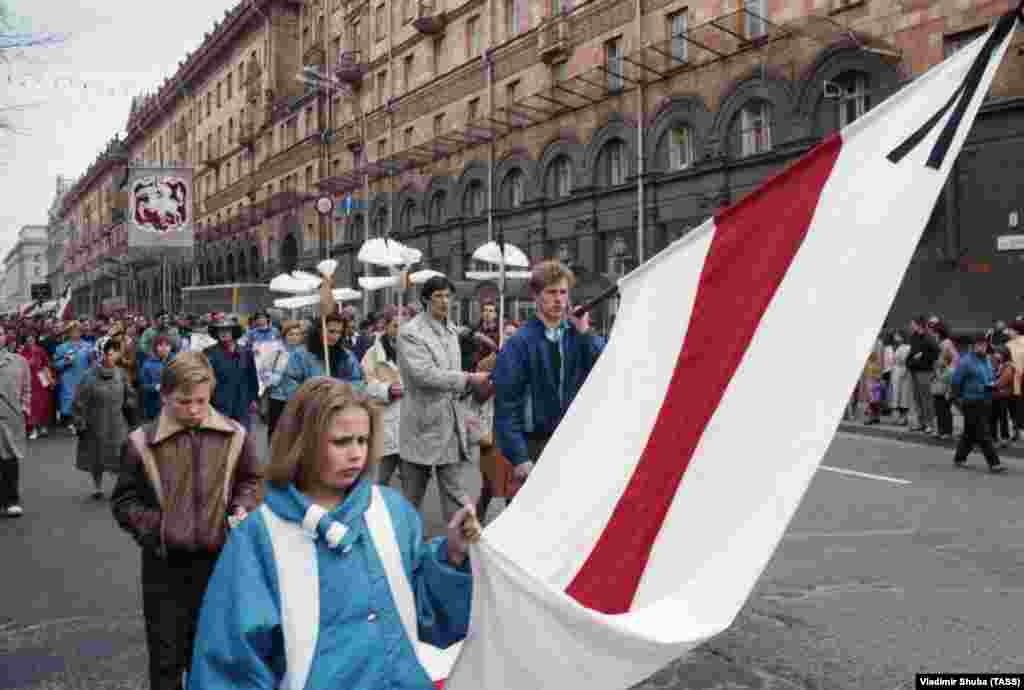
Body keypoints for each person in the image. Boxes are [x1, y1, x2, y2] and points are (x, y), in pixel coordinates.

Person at [186, 378, 479, 690]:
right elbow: (233, 664)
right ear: (303, 443)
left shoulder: (393, 512)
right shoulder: (259, 538)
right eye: (341, 442)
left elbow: (427, 613)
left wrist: (452, 555)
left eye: (362, 440)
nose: (356, 454)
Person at [111, 352, 263, 690]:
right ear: (164, 395)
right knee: (166, 658)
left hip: (219, 563)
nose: (194, 409)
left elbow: (251, 480)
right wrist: (156, 529)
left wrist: (242, 506)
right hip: (164, 566)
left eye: (201, 400)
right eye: (183, 401)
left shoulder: (234, 434)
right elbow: (124, 500)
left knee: (212, 655)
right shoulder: (141, 442)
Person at [493, 261, 603, 484]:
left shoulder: (577, 335)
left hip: (572, 440)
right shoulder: (519, 343)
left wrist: (586, 334)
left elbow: (606, 371)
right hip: (534, 444)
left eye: (563, 292)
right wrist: (519, 457)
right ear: (536, 296)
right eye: (551, 292)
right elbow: (506, 406)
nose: (559, 299)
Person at [397, 276, 490, 523]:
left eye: (448, 296)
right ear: (426, 300)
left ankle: (461, 550)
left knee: (456, 494)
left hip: (449, 423)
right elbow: (424, 375)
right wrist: (468, 379)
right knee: (411, 500)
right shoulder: (410, 332)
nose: (444, 301)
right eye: (438, 296)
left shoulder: (451, 329)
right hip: (421, 425)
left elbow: (451, 374)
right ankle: (404, 548)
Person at [73, 337, 137, 500]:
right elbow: (79, 400)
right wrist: (80, 421)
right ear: (103, 354)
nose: (113, 356)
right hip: (96, 421)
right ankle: (97, 487)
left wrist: (130, 403)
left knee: (120, 456)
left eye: (116, 353)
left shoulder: (121, 374)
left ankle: (120, 488)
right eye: (110, 352)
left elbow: (130, 394)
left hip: (117, 422)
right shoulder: (89, 375)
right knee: (96, 457)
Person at [361, 307, 405, 486]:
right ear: (386, 327)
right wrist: (386, 390)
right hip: (385, 421)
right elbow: (364, 385)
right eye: (395, 326)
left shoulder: (414, 351)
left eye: (404, 326)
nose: (400, 330)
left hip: (409, 423)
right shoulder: (372, 355)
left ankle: (406, 512)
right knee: (381, 479)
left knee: (413, 483)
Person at [950, 335, 1007, 473]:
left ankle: (959, 458)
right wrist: (958, 399)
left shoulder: (987, 360)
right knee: (982, 433)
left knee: (970, 433)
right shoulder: (966, 362)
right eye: (978, 345)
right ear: (973, 346)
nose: (981, 347)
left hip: (985, 400)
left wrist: (993, 385)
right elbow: (956, 381)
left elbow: (991, 377)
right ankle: (994, 463)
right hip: (970, 401)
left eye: (983, 345)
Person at [204, 315, 259, 430]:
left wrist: (253, 399)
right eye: (220, 330)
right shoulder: (208, 353)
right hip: (218, 404)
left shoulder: (246, 352)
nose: (224, 333)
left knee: (242, 439)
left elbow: (252, 377)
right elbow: (205, 380)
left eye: (227, 330)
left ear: (233, 332)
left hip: (242, 403)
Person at [0, 325, 31, 518]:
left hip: (11, 417)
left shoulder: (19, 362)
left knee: (10, 459)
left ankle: (11, 500)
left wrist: (25, 407)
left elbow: (27, 388)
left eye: (0, 333)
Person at [265, 320, 307, 441]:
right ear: (284, 336)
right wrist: (274, 379)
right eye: (291, 334)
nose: (294, 337)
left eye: (297, 334)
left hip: (299, 398)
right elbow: (264, 371)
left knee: (296, 431)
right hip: (278, 398)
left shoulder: (306, 354)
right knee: (275, 430)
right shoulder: (277, 352)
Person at [54, 321, 93, 433]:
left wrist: (92, 357)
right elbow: (56, 365)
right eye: (73, 331)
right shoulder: (62, 347)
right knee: (70, 401)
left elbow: (94, 362)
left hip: (84, 377)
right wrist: (65, 361)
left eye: (78, 330)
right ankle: (72, 423)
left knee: (84, 400)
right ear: (68, 333)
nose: (75, 333)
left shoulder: (88, 345)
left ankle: (83, 422)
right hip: (68, 379)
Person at [906, 315, 939, 433]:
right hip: (914, 370)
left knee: (926, 398)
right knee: (917, 398)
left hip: (925, 371)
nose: (911, 326)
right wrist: (909, 361)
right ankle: (921, 423)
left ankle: (930, 424)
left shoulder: (928, 337)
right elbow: (912, 352)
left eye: (912, 324)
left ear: (919, 325)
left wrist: (923, 356)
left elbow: (936, 353)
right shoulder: (913, 337)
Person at [19, 332, 53, 440]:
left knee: (43, 403)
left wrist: (49, 378)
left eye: (32, 339)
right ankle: (33, 429)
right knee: (31, 405)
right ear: (25, 341)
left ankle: (43, 426)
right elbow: (19, 366)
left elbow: (46, 364)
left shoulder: (40, 350)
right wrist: (28, 363)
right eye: (28, 340)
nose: (31, 342)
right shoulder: (22, 352)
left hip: (40, 379)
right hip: (28, 381)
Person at [140, 335, 174, 423]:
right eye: (160, 345)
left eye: (167, 345)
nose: (164, 348)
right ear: (155, 347)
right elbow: (143, 385)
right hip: (154, 406)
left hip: (173, 405)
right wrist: (155, 387)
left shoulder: (176, 361)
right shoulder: (148, 364)